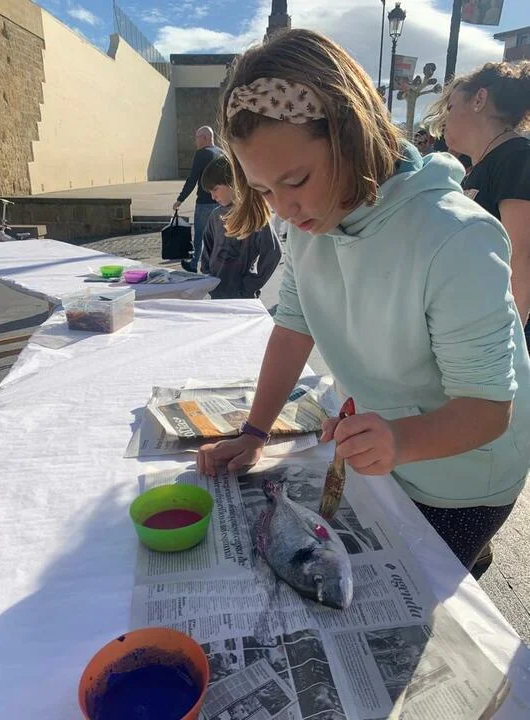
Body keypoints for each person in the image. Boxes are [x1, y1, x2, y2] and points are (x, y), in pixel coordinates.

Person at [197, 28, 530, 572]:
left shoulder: (456, 236)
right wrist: (255, 431)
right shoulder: (310, 221)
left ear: (351, 134)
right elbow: (293, 326)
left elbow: (489, 409)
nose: (283, 209)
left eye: (296, 180)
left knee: (420, 588)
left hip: (465, 479)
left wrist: (399, 439)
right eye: (263, 190)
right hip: (385, 450)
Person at [425, 61, 530, 352]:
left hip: (500, 338)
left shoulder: (517, 158)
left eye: (450, 107)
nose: (444, 119)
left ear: (479, 99)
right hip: (478, 328)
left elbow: (520, 260)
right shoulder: (482, 168)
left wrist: (509, 351)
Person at [200, 154, 282, 299]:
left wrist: (251, 284)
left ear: (233, 183)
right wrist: (207, 275)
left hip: (243, 297)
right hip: (217, 293)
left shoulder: (254, 216)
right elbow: (207, 247)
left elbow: (273, 252)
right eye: (210, 192)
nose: (213, 197)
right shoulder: (215, 216)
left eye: (216, 189)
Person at [173, 125, 222, 272]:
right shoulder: (221, 153)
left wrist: (180, 199)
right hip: (221, 202)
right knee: (218, 235)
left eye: (197, 138)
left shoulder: (202, 154)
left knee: (200, 235)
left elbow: (192, 179)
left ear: (205, 138)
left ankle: (194, 264)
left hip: (204, 203)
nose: (195, 141)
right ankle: (216, 264)